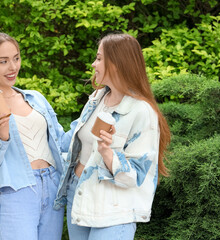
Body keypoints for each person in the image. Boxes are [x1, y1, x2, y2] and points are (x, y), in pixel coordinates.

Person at [0, 31, 74, 240]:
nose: (13, 67)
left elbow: (62, 142)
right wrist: (1, 138)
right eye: (3, 61)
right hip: (15, 191)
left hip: (53, 186)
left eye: (16, 58)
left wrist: (89, 116)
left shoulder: (36, 98)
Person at [53, 33, 171, 240]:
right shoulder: (97, 99)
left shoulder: (141, 111)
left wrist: (107, 153)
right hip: (78, 195)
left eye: (99, 58)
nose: (93, 64)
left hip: (113, 209)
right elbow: (75, 141)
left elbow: (138, 174)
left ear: (116, 64)